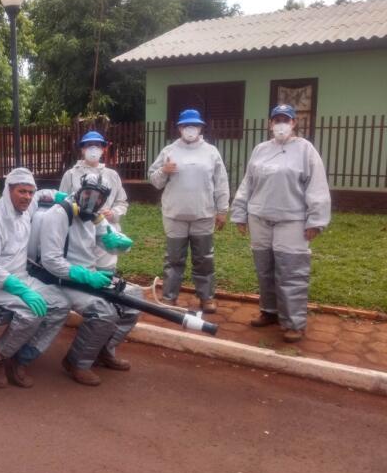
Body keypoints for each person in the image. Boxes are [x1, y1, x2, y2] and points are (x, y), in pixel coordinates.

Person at [230, 104, 331, 343]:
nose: (281, 124)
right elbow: (248, 183)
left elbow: (317, 186)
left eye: (286, 120)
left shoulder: (305, 150)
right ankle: (269, 312)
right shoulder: (261, 150)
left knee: (291, 271)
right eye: (277, 120)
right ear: (270, 123)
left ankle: (294, 323)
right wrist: (240, 213)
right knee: (264, 269)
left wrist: (315, 220)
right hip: (260, 217)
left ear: (294, 123)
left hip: (292, 220)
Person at [0, 167, 71, 388]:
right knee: (31, 312)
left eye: (30, 192)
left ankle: (22, 357)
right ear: (8, 191)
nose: (27, 196)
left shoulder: (26, 208)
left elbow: (44, 193)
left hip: (20, 278)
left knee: (61, 304)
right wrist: (24, 291)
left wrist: (62, 196)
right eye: (22, 191)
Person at [35, 173, 135, 386]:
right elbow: (51, 261)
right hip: (62, 279)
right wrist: (87, 276)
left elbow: (107, 243)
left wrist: (117, 242)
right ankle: (77, 363)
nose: (92, 200)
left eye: (98, 197)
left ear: (104, 199)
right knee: (103, 312)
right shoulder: (60, 214)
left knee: (133, 301)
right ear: (79, 191)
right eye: (88, 193)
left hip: (88, 276)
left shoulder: (94, 216)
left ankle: (103, 351)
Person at [148, 109, 230, 313]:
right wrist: (164, 171)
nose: (190, 129)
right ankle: (169, 296)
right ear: (179, 128)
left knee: (204, 258)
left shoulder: (211, 152)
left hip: (203, 213)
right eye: (186, 125)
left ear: (201, 127)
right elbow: (154, 180)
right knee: (174, 258)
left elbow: (221, 182)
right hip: (175, 214)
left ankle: (206, 297)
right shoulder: (169, 151)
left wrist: (222, 209)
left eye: (194, 125)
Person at [59, 131, 128, 272]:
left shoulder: (112, 175)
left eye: (97, 145)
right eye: (89, 145)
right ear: (82, 149)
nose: (93, 149)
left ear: (103, 149)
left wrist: (113, 213)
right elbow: (62, 202)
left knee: (106, 269)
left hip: (106, 229)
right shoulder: (71, 174)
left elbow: (122, 202)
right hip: (79, 231)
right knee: (82, 269)